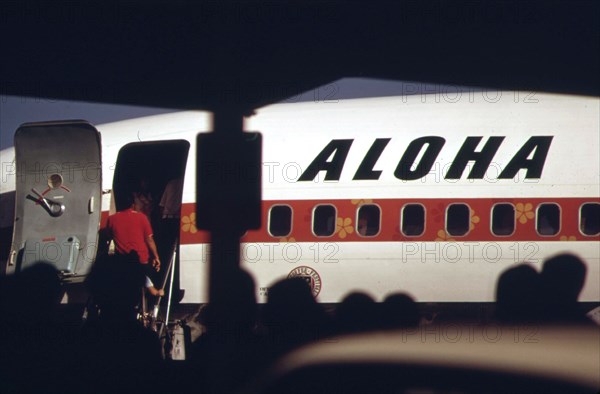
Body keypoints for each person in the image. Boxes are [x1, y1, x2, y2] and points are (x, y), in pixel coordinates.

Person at [104, 193, 161, 280]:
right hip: (141, 260)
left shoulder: (111, 219)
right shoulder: (142, 217)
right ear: (133, 204)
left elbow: (108, 237)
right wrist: (156, 256)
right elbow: (149, 239)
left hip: (122, 261)